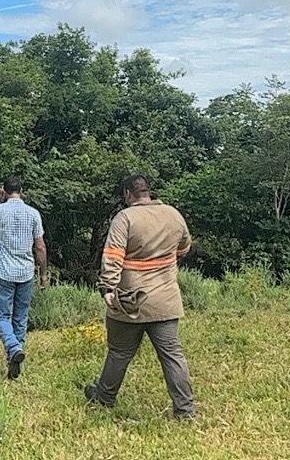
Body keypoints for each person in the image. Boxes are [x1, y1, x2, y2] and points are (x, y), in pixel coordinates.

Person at [84, 174, 196, 420]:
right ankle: (185, 410)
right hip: (165, 299)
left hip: (130, 300)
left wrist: (108, 288)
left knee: (119, 352)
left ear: (127, 193)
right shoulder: (173, 214)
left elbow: (113, 256)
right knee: (172, 355)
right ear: (148, 191)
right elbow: (185, 247)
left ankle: (104, 397)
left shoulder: (125, 218)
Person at [0, 176, 47, 379]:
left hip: (5, 271)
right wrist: (43, 273)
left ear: (4, 190)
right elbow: (40, 247)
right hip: (26, 272)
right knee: (21, 317)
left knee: (1, 316)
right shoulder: (33, 213)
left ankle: (12, 347)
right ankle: (15, 357)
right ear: (22, 191)